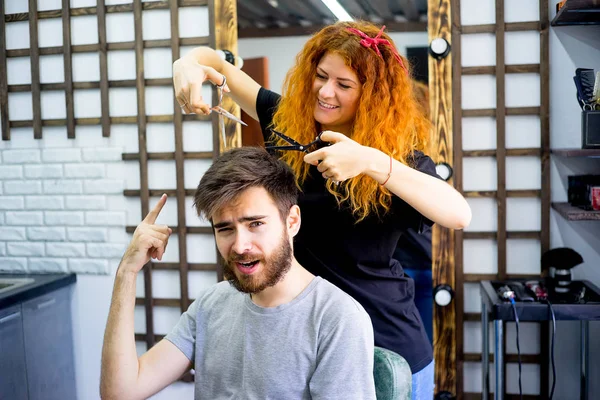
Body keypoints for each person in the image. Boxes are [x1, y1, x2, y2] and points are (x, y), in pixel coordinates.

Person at [173, 20, 472, 399]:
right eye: (320, 76)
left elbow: (458, 214)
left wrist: (370, 162)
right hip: (307, 338)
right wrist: (188, 63)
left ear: (373, 95)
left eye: (344, 85)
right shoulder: (289, 126)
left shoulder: (399, 163)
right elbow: (219, 67)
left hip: (385, 345)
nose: (325, 92)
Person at [100, 147, 377, 400]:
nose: (240, 246)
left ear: (291, 221)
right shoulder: (212, 304)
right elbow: (120, 392)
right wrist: (127, 273)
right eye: (225, 229)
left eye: (255, 223)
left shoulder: (337, 319)